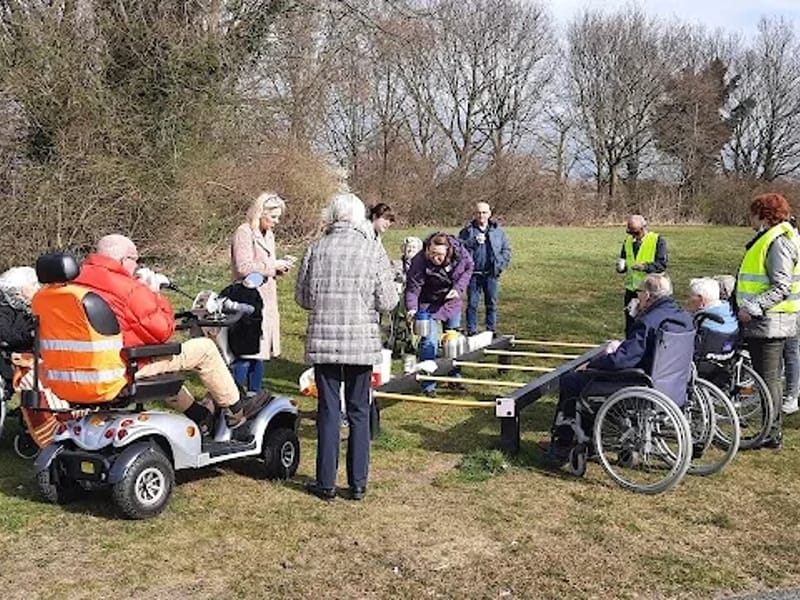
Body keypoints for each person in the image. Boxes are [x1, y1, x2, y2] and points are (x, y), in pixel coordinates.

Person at [74, 234, 262, 431]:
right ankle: (236, 410)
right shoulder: (127, 288)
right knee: (204, 349)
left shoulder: (74, 282)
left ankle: (200, 416)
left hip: (79, 371)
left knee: (162, 359)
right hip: (121, 369)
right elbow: (162, 330)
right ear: (124, 260)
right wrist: (153, 292)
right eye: (136, 260)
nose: (137, 267)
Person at [295, 192, 398, 501]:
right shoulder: (372, 251)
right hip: (361, 341)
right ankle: (358, 482)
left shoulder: (315, 249)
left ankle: (325, 483)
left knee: (327, 410)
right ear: (358, 219)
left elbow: (303, 298)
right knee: (358, 410)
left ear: (333, 216)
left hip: (325, 341)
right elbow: (389, 301)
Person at [546, 274, 693, 465]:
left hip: (639, 383)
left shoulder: (648, 321)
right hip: (674, 387)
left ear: (647, 295)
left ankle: (562, 444)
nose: (637, 295)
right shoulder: (683, 318)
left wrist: (592, 364)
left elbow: (622, 360)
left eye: (639, 292)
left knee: (572, 381)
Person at [736, 193, 800, 446]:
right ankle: (770, 431)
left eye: (753, 213)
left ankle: (771, 433)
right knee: (767, 378)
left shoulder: (778, 242)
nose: (750, 218)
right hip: (771, 321)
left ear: (763, 214)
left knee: (768, 379)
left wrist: (752, 307)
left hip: (771, 323)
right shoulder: (775, 238)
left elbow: (780, 286)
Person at [230, 192, 292, 392]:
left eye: (278, 217)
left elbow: (264, 267)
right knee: (246, 353)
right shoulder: (244, 232)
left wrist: (278, 269)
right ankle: (236, 399)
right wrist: (272, 265)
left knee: (260, 354)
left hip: (266, 299)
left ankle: (255, 395)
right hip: (247, 299)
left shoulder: (269, 235)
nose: (276, 222)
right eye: (273, 217)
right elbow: (243, 267)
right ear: (261, 213)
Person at [405, 232, 474, 396]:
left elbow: (469, 268)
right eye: (433, 254)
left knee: (453, 342)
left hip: (452, 301)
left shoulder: (460, 254)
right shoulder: (419, 261)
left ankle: (454, 378)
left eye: (440, 255)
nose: (436, 258)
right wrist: (412, 309)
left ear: (448, 251)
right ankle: (428, 384)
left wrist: (458, 289)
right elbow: (413, 289)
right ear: (428, 249)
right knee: (429, 343)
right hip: (428, 303)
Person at [458, 201, 511, 336]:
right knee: (472, 304)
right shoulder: (467, 231)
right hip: (473, 274)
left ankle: (491, 331)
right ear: (474, 214)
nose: (481, 215)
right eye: (478, 212)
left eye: (484, 212)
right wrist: (473, 242)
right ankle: (471, 330)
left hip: (491, 274)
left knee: (491, 304)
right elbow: (459, 249)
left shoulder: (498, 231)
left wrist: (500, 265)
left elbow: (506, 250)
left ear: (489, 214)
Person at [616, 215, 668, 336]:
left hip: (650, 291)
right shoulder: (628, 241)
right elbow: (624, 260)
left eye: (635, 232)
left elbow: (662, 265)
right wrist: (620, 268)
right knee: (630, 323)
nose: (633, 236)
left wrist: (645, 267)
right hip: (632, 290)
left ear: (644, 228)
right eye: (630, 232)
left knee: (648, 322)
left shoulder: (657, 241)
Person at [688, 277, 739, 358]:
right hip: (727, 355)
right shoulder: (729, 312)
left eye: (691, 296)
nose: (688, 300)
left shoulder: (702, 320)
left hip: (703, 360)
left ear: (701, 299)